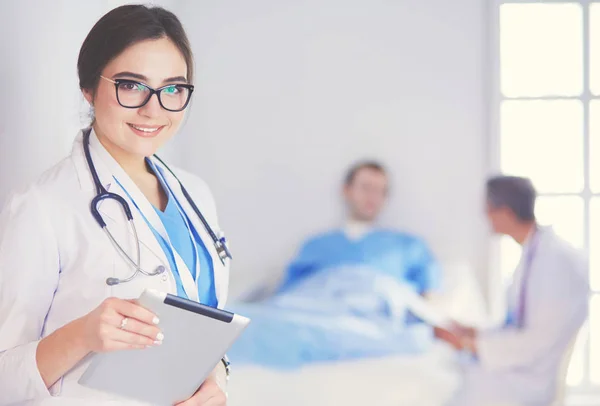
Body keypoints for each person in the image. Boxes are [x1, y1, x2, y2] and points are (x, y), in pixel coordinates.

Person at [0, 5, 230, 406]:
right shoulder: (42, 207)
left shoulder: (196, 195)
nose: (153, 109)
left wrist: (216, 377)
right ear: (88, 88)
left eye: (173, 88)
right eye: (131, 85)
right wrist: (83, 334)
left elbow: (203, 324)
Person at [439, 175, 589, 406]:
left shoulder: (555, 262)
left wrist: (470, 344)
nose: (484, 215)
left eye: (488, 208)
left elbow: (537, 341)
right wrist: (475, 333)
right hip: (523, 368)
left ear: (504, 212)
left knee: (453, 389)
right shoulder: (534, 253)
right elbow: (517, 323)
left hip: (531, 380)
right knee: (450, 375)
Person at [277, 160, 440, 303]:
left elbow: (429, 299)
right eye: (366, 188)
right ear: (346, 190)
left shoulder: (408, 246)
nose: (372, 197)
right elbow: (288, 297)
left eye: (379, 191)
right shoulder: (315, 245)